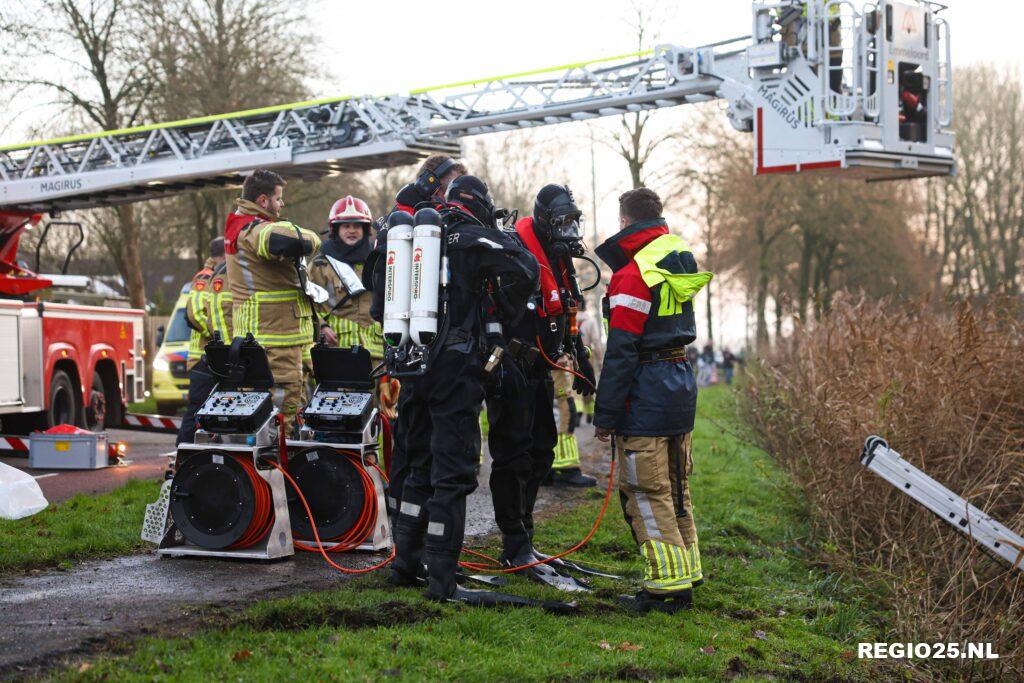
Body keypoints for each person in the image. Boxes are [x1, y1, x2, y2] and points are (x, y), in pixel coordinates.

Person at [376, 175, 539, 605]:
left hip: (412, 364)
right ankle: (443, 579)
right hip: (455, 369)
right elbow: (527, 269)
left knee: (416, 466)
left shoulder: (408, 237)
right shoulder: (472, 237)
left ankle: (406, 563)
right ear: (480, 203)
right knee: (453, 473)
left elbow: (378, 305)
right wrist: (501, 312)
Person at [593, 187, 713, 614]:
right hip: (679, 382)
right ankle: (687, 572)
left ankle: (666, 587)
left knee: (645, 489)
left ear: (625, 222)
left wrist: (605, 415)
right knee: (676, 488)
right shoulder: (678, 259)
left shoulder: (632, 274)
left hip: (645, 388)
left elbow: (622, 351)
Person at [486, 184, 596, 582]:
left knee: (542, 451)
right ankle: (513, 543)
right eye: (563, 222)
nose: (570, 230)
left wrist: (581, 355)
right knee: (512, 455)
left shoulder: (559, 255)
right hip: (511, 366)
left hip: (540, 368)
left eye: (574, 222)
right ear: (546, 220)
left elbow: (567, 307)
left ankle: (525, 536)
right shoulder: (514, 247)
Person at [379, 156, 468, 522]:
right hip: (419, 352)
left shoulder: (425, 225)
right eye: (448, 186)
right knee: (414, 444)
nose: (453, 195)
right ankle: (406, 528)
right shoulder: (406, 224)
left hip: (423, 349)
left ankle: (409, 529)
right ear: (431, 183)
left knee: (417, 444)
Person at [225, 169, 321, 428]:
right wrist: (311, 237)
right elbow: (284, 240)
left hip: (264, 338)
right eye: (278, 199)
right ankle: (282, 454)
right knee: (282, 419)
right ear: (263, 200)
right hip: (276, 340)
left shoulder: (240, 226)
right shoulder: (255, 230)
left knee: (266, 414)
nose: (282, 204)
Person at [176, 237, 228, 445]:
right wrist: (220, 336)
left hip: (215, 356)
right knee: (197, 409)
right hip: (203, 358)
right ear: (223, 256)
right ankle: (183, 452)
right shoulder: (205, 278)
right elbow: (195, 314)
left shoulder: (223, 277)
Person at [576, 298, 604, 424]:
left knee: (574, 383)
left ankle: (578, 410)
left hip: (572, 356)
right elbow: (596, 342)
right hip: (587, 354)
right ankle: (589, 411)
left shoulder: (571, 318)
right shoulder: (590, 321)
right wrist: (600, 360)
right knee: (588, 382)